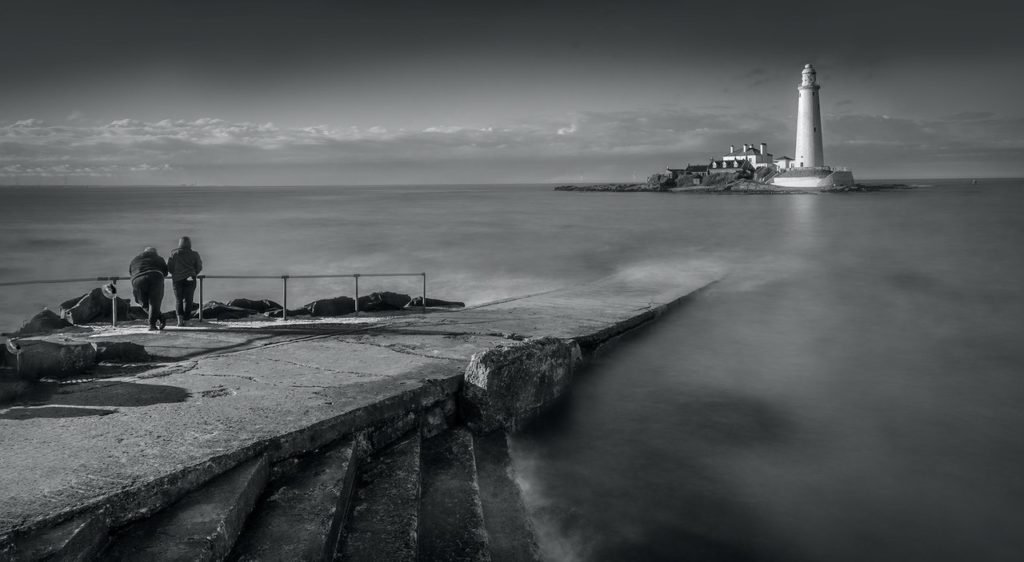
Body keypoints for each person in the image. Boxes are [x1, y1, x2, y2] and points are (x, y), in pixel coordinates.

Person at [129, 246, 169, 331]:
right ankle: (152, 324)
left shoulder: (135, 259)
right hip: (156, 276)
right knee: (154, 302)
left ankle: (159, 318)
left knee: (141, 302)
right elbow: (165, 272)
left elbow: (130, 272)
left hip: (138, 279)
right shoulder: (159, 258)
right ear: (155, 253)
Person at [167, 236, 203, 327]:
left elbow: (169, 267)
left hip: (177, 279)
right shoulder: (195, 254)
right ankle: (187, 321)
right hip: (190, 278)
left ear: (180, 243)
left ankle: (179, 321)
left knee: (178, 300)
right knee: (188, 300)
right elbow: (199, 266)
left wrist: (175, 274)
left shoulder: (174, 253)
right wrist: (194, 273)